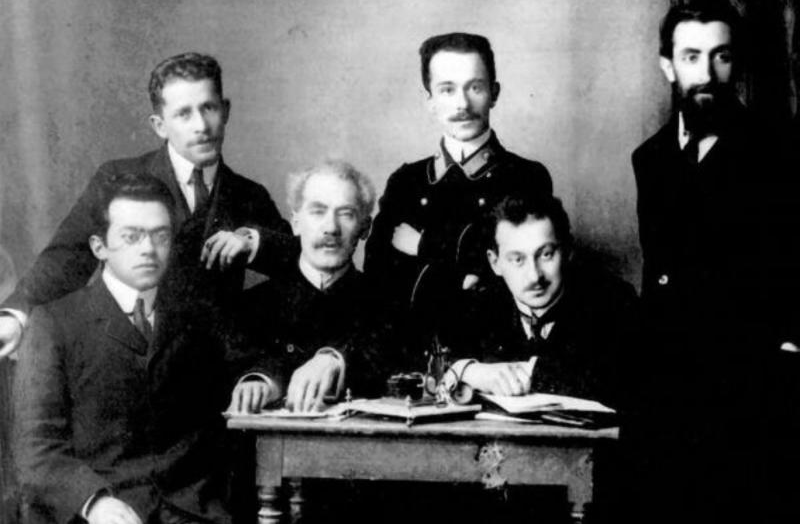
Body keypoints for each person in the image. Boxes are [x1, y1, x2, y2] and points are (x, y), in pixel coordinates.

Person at [0, 52, 293, 358]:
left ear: (226, 110)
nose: (202, 126)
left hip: (213, 367)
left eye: (209, 108)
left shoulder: (249, 195)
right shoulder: (117, 178)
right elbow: (67, 257)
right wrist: (16, 315)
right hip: (128, 357)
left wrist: (254, 241)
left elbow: (298, 264)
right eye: (184, 114)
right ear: (159, 125)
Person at [628, 2, 800, 522]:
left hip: (752, 397)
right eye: (691, 57)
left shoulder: (782, 153)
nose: (706, 73)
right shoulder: (650, 159)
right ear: (668, 66)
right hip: (666, 395)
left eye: (720, 56)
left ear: (735, 63)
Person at [14, 174, 234, 524]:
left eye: (160, 236)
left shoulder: (197, 317)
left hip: (191, 512)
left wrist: (262, 378)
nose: (148, 249)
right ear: (99, 247)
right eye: (131, 237)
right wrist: (94, 503)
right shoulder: (55, 323)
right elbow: (36, 451)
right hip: (97, 511)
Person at [364, 32, 552, 357]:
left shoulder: (525, 177)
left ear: (494, 93)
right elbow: (379, 284)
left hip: (495, 362)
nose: (462, 104)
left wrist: (423, 247)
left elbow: (510, 285)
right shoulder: (405, 182)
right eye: (447, 90)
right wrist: (464, 272)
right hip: (409, 361)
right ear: (429, 100)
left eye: (475, 87)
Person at [442, 194, 637, 409]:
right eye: (518, 260)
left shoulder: (614, 302)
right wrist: (470, 371)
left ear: (567, 251)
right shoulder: (479, 306)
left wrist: (526, 373)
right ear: (495, 262)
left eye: (546, 255)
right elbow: (437, 368)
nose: (535, 276)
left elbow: (618, 384)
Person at [229, 160, 391, 415]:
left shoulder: (387, 303)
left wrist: (336, 360)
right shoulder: (251, 304)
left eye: (346, 214)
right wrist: (261, 379)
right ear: (296, 223)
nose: (331, 228)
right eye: (318, 211)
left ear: (365, 228)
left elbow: (390, 362)